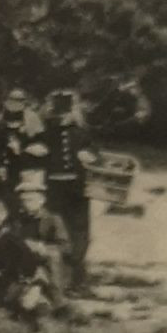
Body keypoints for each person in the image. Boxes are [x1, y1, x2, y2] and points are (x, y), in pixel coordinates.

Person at [40, 89, 98, 291]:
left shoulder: (82, 133)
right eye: (58, 115)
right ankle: (57, 277)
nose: (62, 119)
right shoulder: (46, 134)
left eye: (65, 114)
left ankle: (77, 277)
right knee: (55, 230)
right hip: (53, 189)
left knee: (80, 231)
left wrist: (89, 156)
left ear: (73, 113)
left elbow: (94, 153)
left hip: (78, 190)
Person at [11, 173, 73, 297]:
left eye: (30, 200)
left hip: (45, 259)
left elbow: (66, 247)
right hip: (24, 257)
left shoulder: (53, 219)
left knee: (53, 255)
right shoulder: (17, 220)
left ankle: (57, 298)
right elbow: (11, 239)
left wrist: (43, 247)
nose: (25, 204)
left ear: (41, 200)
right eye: (22, 200)